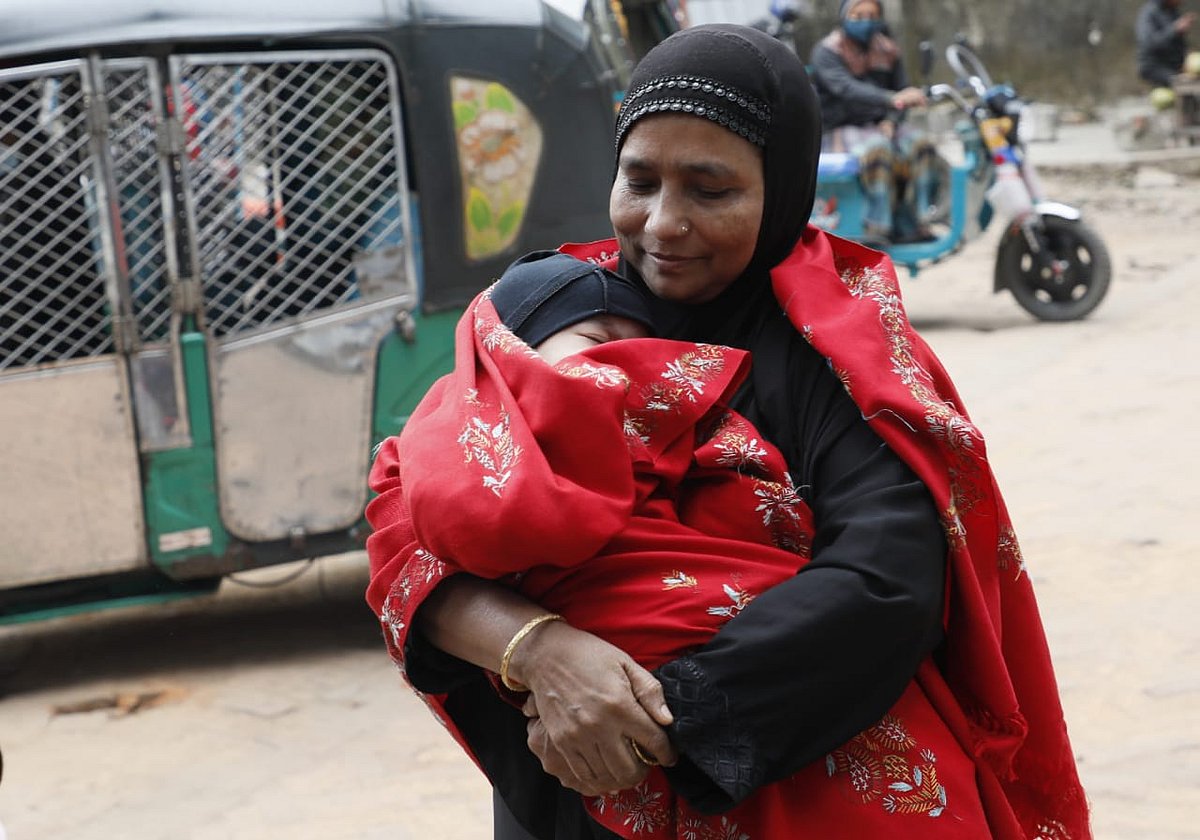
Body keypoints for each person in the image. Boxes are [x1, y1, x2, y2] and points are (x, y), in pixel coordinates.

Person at [366, 23, 1091, 840]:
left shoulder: (846, 357)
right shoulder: (549, 313)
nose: (663, 224)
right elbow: (410, 518)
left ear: (781, 190)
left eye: (710, 191)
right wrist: (539, 652)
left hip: (779, 790)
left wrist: (641, 714)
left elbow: (887, 585)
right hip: (575, 791)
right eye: (639, 181)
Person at [809, 0, 940, 243]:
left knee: (921, 144)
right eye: (859, 15)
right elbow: (846, 89)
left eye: (872, 15)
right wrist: (892, 100)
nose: (866, 21)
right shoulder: (827, 51)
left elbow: (902, 91)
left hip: (881, 125)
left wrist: (891, 119)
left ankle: (916, 221)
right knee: (879, 151)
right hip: (841, 126)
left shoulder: (888, 51)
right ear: (845, 16)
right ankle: (877, 227)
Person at [1136, 0, 1195, 88]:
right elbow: (1149, 43)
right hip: (1155, 67)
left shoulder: (1172, 11)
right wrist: (1175, 29)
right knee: (1165, 97)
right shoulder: (1150, 13)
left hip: (1175, 67)